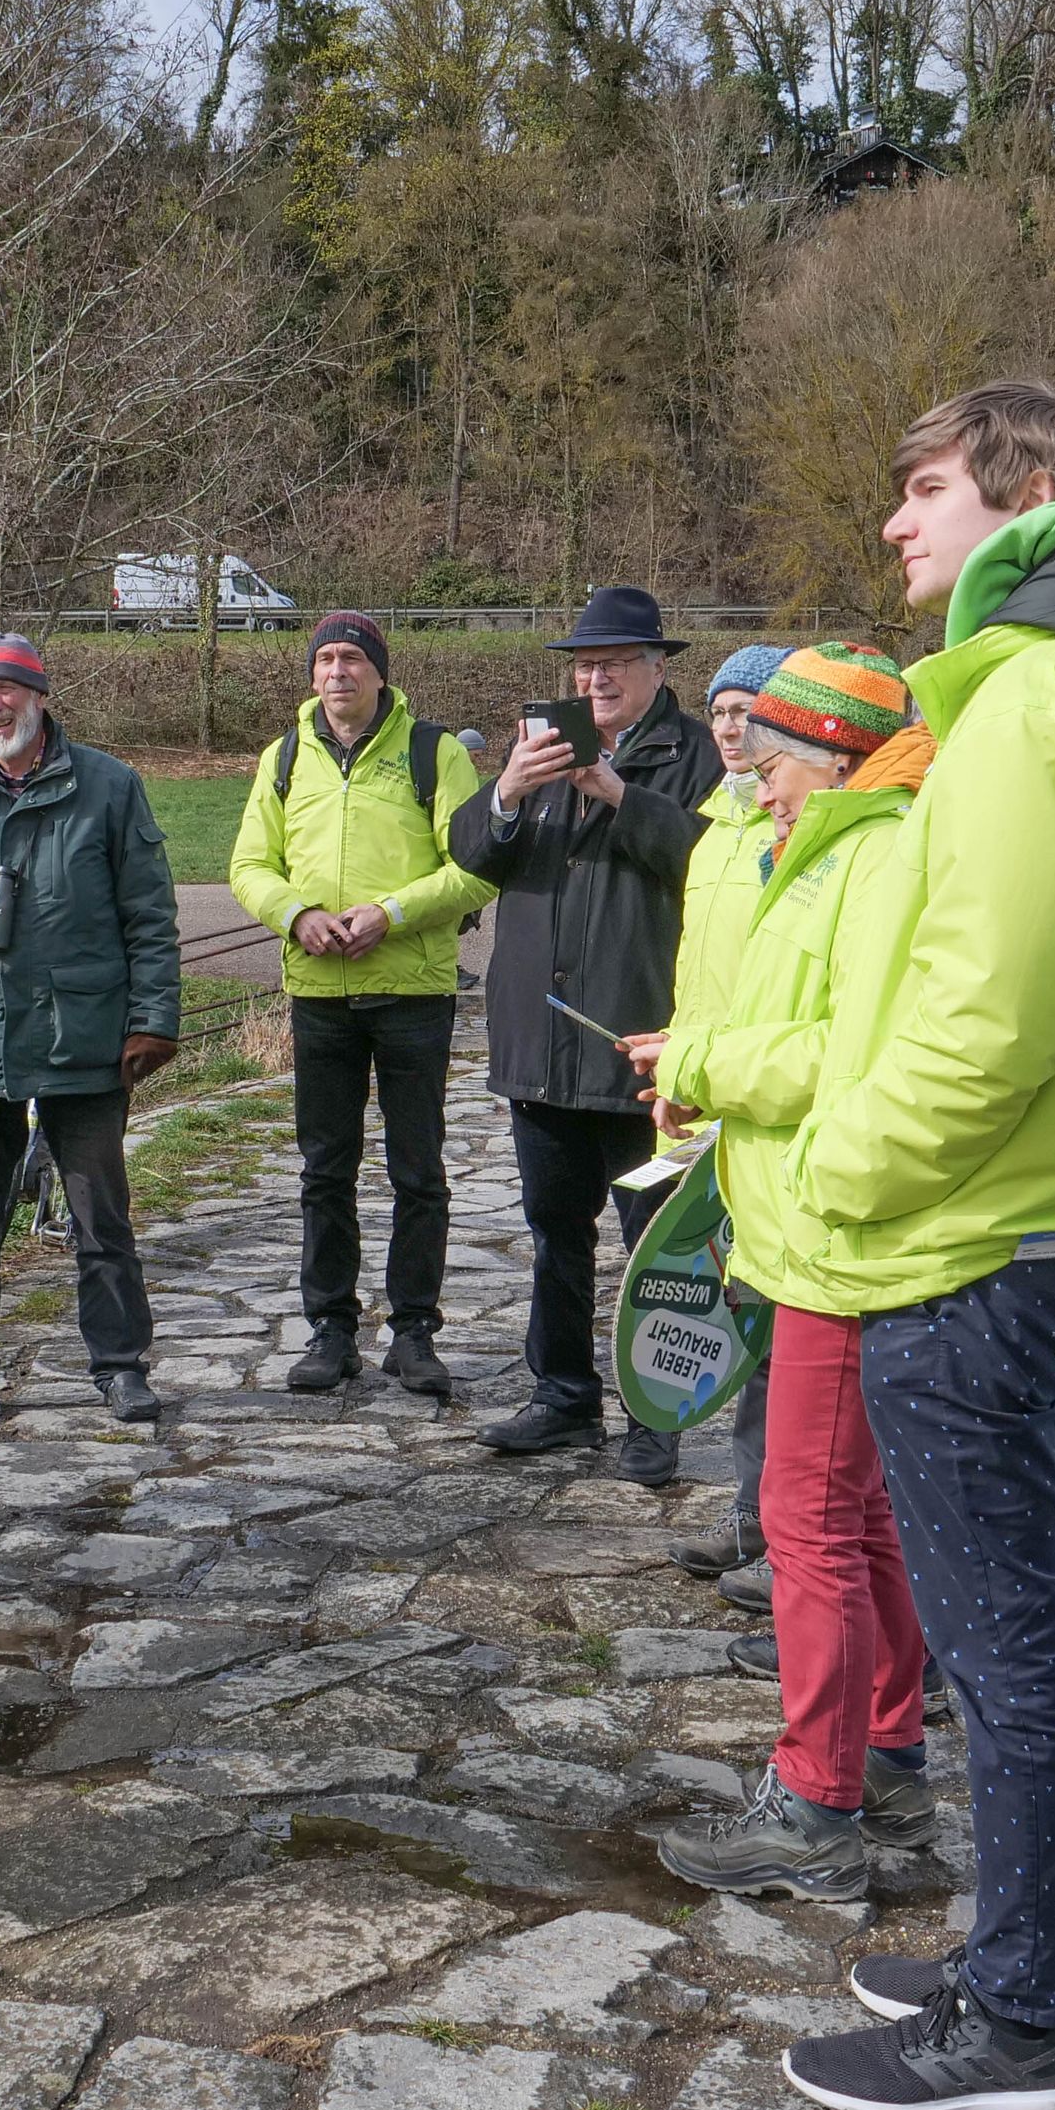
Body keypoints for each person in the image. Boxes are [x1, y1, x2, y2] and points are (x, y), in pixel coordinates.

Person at [766, 382, 1055, 2110]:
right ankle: (1054, 1977)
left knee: (1004, 1654)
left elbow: (986, 1011)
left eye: (927, 486)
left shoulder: (1037, 704)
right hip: (1037, 1226)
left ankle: (1017, 2023)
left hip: (967, 1235)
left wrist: (848, 1169)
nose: (897, 524)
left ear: (1026, 495)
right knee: (1049, 1642)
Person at [634, 645, 935, 1901]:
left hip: (835, 1233)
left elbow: (842, 1050)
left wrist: (703, 1064)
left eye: (775, 757)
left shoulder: (871, 858)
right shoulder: (843, 844)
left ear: (838, 757)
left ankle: (817, 1804)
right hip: (812, 1218)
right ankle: (893, 1752)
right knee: (857, 1515)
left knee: (803, 1520)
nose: (752, 779)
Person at [444, 584, 722, 1484]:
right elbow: (471, 855)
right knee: (555, 1231)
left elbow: (712, 864)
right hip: (542, 1046)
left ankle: (656, 1412)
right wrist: (509, 793)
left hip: (645, 1048)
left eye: (612, 664)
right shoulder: (541, 752)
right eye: (582, 667)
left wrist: (616, 795)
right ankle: (563, 1399)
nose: (595, 679)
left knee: (658, 1246)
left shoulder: (699, 755)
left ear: (655, 668)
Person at [0, 633, 183, 1429]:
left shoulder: (110, 788)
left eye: (9, 690)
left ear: (41, 698)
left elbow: (150, 917)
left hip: (84, 1039)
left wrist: (153, 1020)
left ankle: (120, 1367)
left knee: (100, 1216)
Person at [224, 610, 497, 1398]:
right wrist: (297, 914)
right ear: (312, 675)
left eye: (352, 659)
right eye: (325, 660)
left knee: (418, 1171)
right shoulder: (282, 759)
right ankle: (331, 1329)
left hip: (410, 989)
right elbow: (249, 864)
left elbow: (477, 868)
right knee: (324, 1169)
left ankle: (413, 1331)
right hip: (318, 993)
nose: (336, 672)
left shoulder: (433, 753)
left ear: (380, 671)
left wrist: (390, 913)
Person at [666, 641, 787, 1584]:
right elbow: (699, 978)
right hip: (715, 1099)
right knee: (749, 1320)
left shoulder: (798, 833)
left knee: (789, 1332)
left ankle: (796, 1540)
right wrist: (677, 1069)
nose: (732, 727)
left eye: (750, 709)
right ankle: (756, 1519)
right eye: (720, 711)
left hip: (772, 1100)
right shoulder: (714, 829)